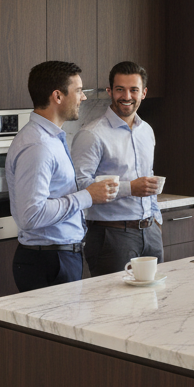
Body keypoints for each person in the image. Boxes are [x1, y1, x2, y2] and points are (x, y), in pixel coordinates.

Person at [7, 61, 118, 291]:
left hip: (55, 257)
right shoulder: (39, 146)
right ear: (57, 96)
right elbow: (31, 215)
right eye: (78, 91)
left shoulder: (51, 138)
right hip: (48, 261)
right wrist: (87, 197)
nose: (83, 97)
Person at [71, 61, 163, 276]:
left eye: (134, 90)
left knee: (153, 302)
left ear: (144, 93)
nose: (127, 96)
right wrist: (129, 188)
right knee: (113, 305)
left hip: (149, 231)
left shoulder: (146, 131)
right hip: (111, 234)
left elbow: (148, 177)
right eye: (120, 89)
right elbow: (79, 185)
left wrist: (156, 220)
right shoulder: (92, 134)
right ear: (110, 91)